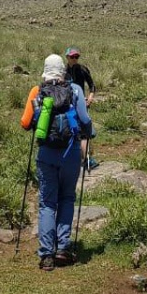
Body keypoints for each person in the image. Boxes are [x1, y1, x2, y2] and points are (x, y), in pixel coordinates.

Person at [19, 54, 95, 271]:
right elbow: (85, 120)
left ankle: (46, 255)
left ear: (45, 70)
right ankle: (63, 248)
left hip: (46, 155)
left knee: (47, 203)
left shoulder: (37, 91)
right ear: (63, 70)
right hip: (70, 154)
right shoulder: (76, 91)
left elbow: (25, 123)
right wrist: (89, 134)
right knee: (68, 198)